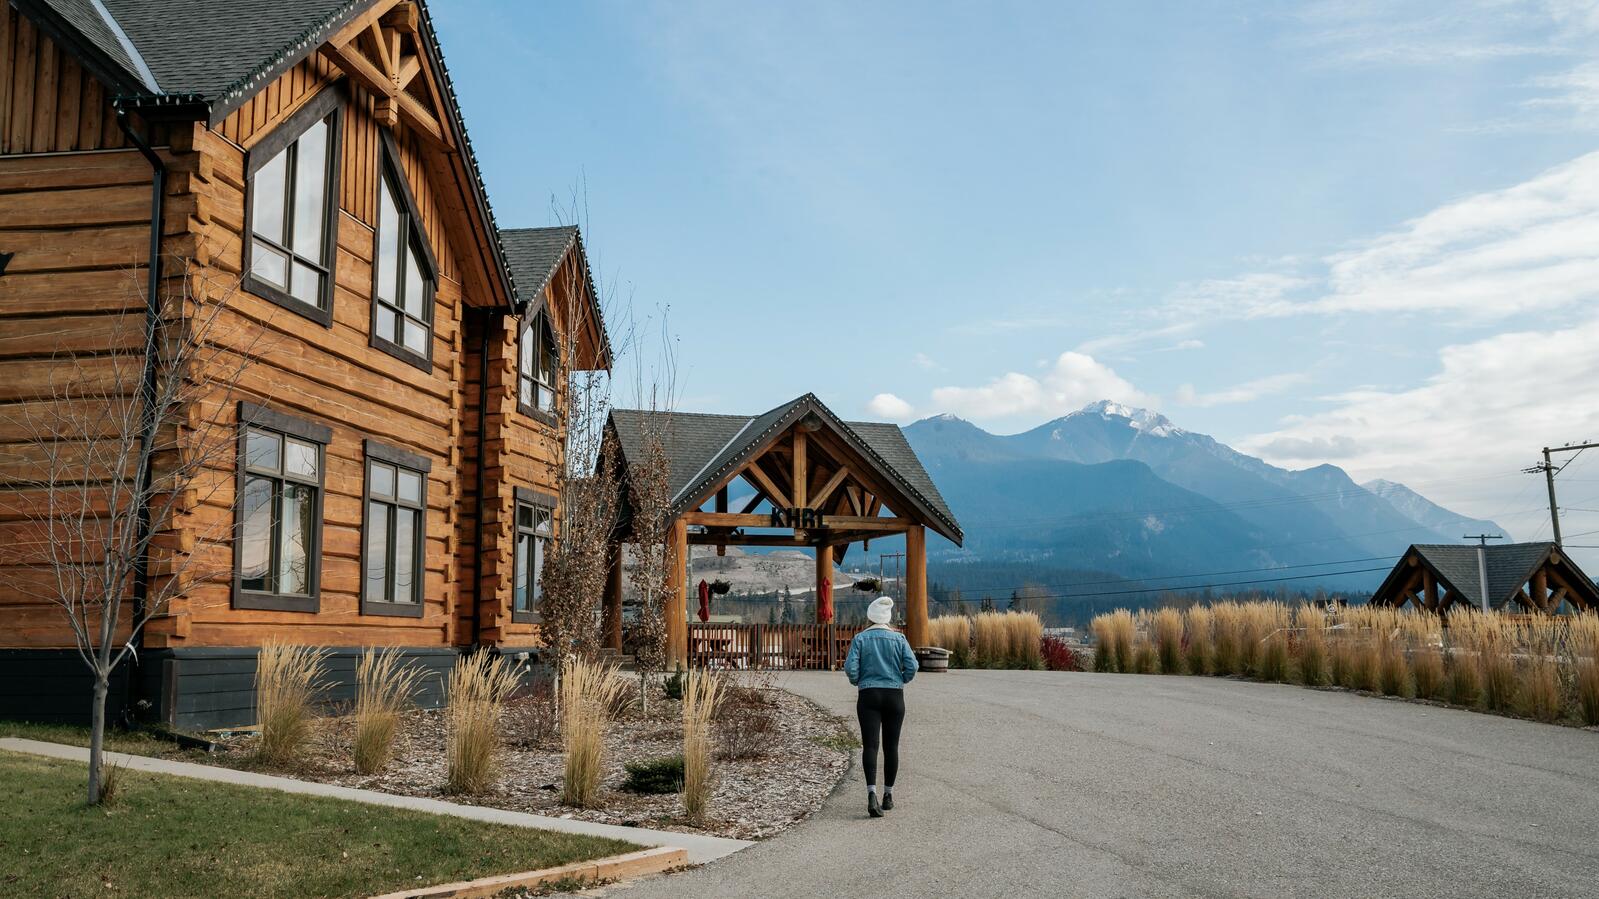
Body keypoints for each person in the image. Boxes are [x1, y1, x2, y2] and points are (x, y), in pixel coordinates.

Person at [844, 595, 919, 818]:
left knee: (870, 746)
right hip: (894, 695)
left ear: (870, 617)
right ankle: (888, 795)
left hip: (868, 695)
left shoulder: (860, 639)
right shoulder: (899, 638)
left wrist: (858, 681)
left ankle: (871, 793)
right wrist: (901, 679)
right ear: (887, 618)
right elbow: (913, 666)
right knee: (891, 747)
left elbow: (850, 668)